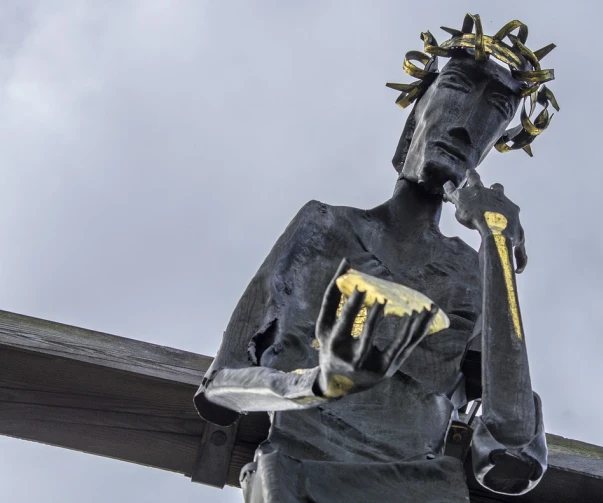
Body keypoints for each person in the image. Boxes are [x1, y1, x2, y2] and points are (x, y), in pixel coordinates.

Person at [194, 14, 558, 502]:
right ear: (415, 116)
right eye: (456, 86)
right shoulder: (325, 227)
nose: (469, 123)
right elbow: (220, 388)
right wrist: (315, 385)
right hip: (300, 481)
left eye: (496, 108)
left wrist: (496, 244)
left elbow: (510, 450)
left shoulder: (474, 276)